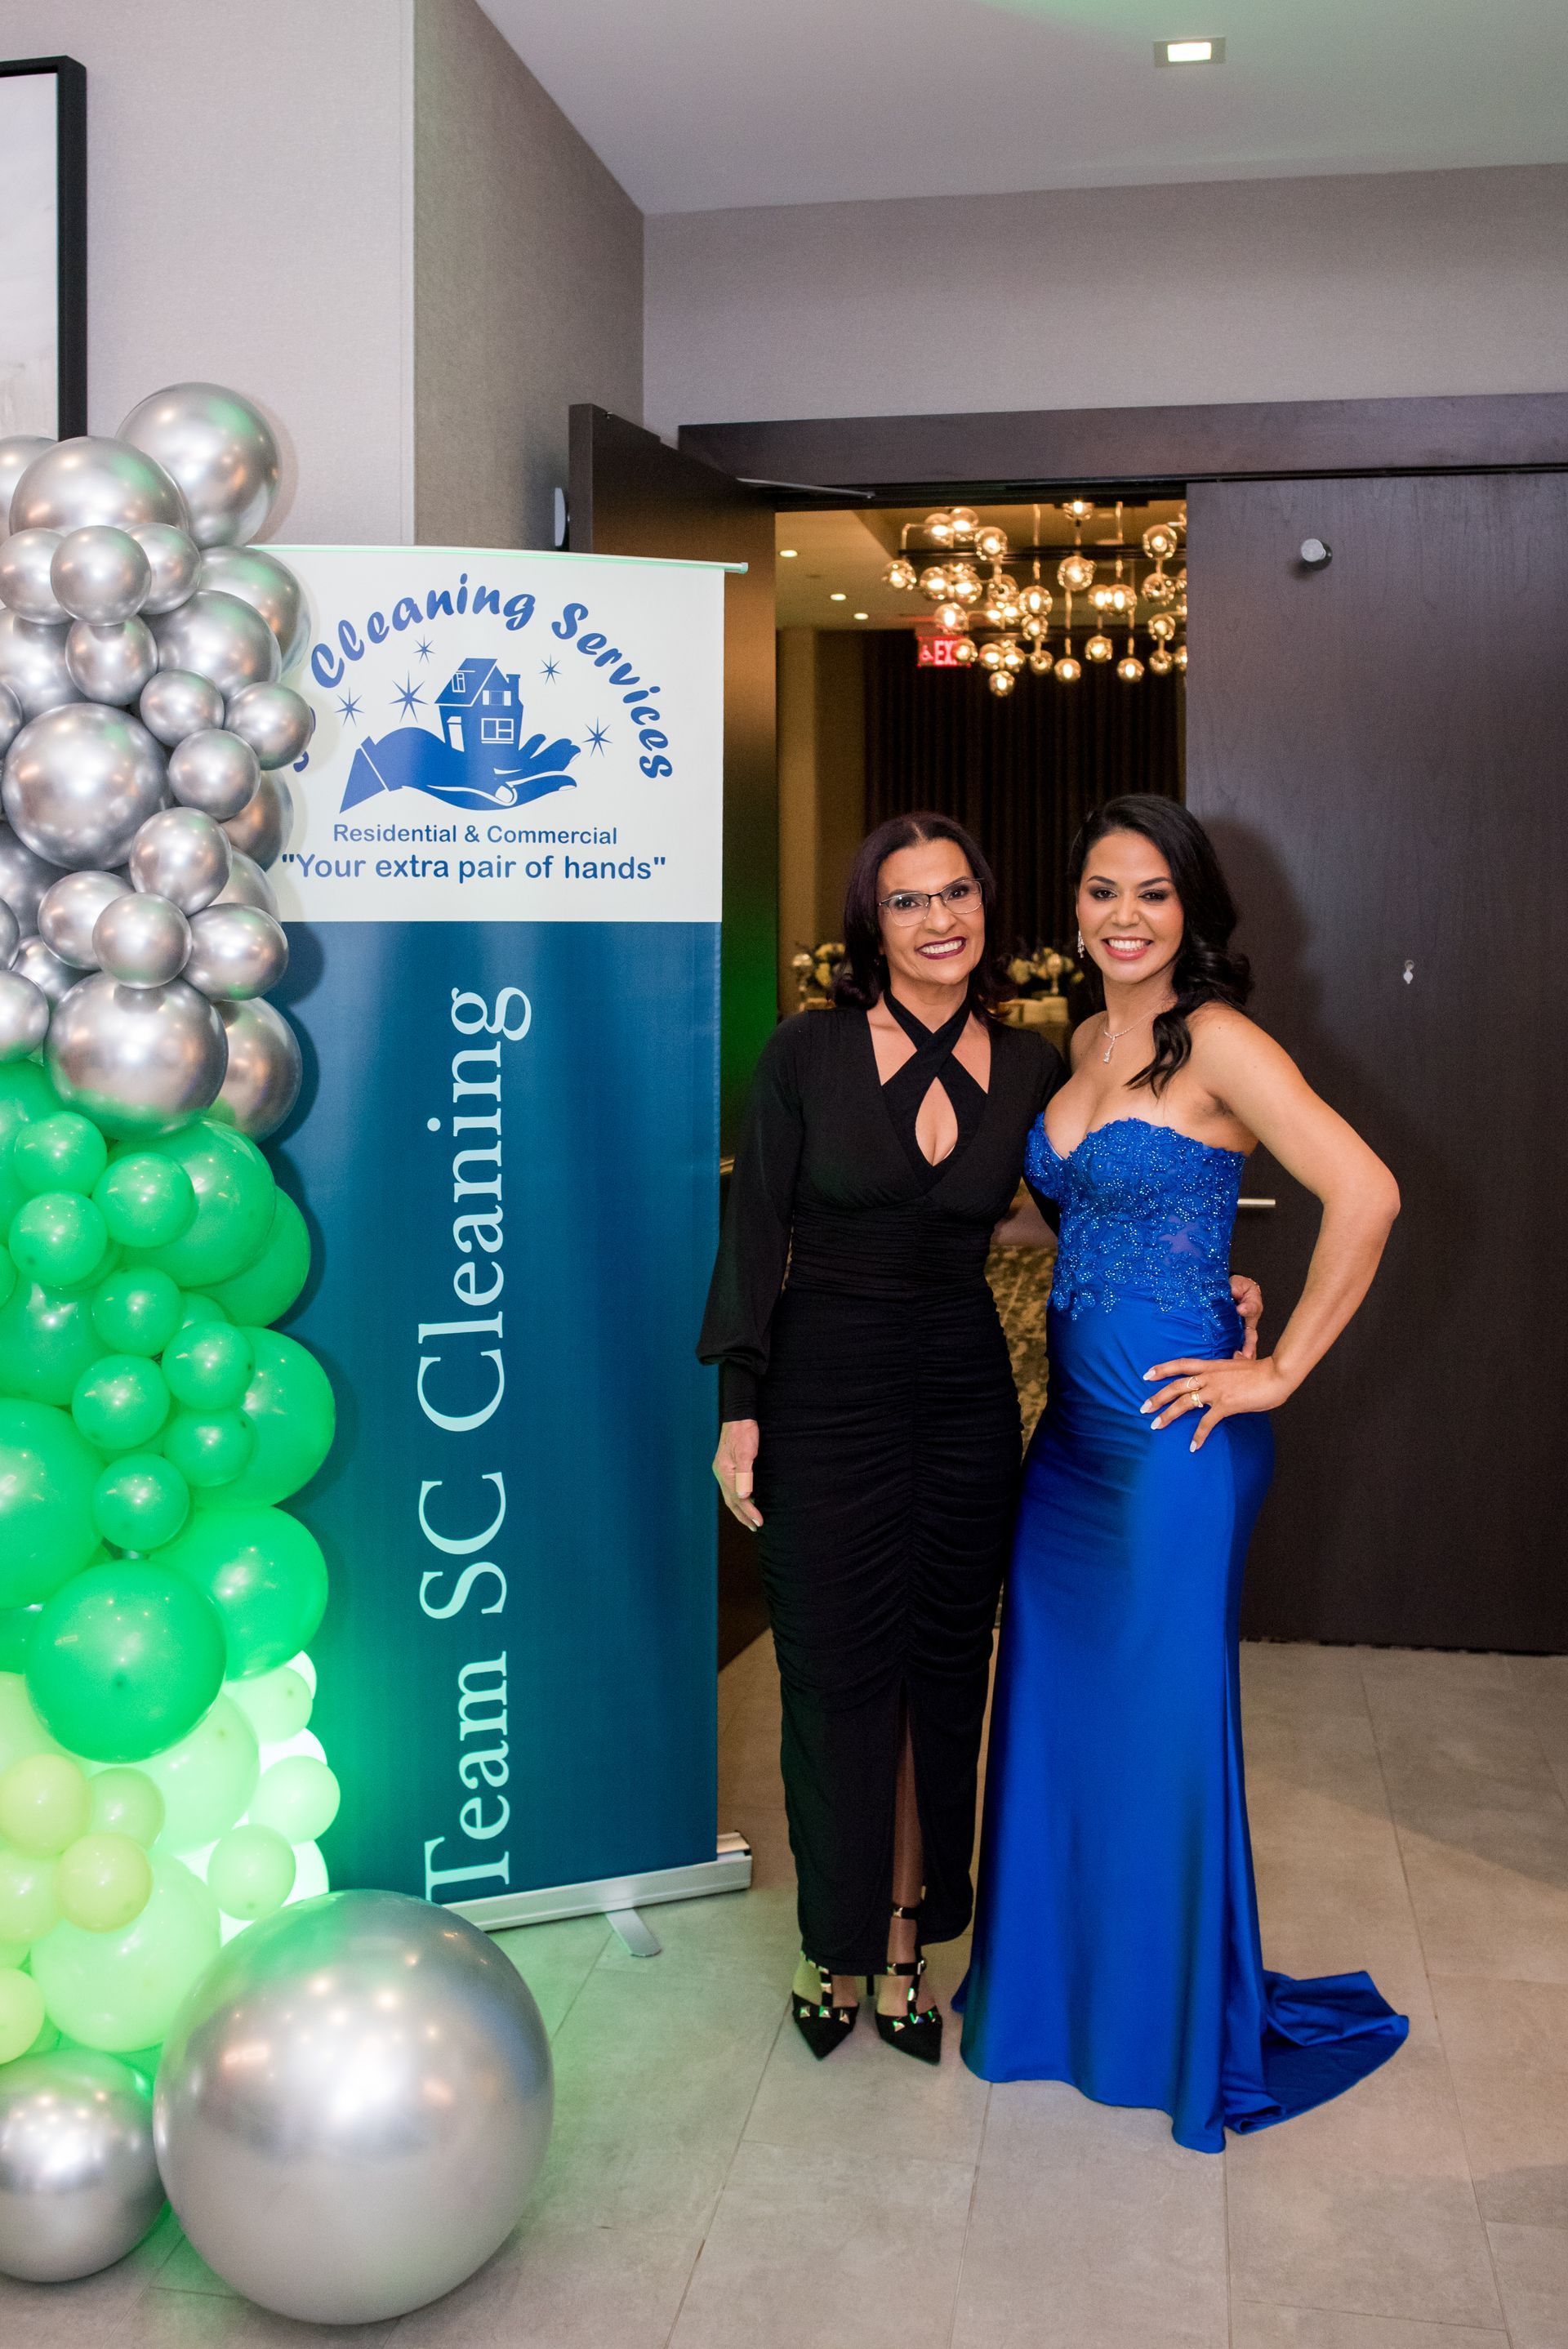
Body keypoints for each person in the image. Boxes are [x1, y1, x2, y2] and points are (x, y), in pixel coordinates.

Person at [699, 810, 1262, 2062]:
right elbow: (752, 1244)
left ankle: (907, 1935)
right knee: (832, 1677)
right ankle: (828, 1940)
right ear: (873, 923)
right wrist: (739, 1408)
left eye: (959, 893)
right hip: (824, 1391)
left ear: (991, 913)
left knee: (944, 1681)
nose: (939, 919)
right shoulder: (808, 1053)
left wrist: (1209, 1282)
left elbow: (1084, 1210)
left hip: (962, 1399)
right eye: (908, 902)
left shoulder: (1031, 1065)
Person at [957, 793, 1408, 2149]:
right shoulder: (1082, 1040)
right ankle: (1053, 2002)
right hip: (1073, 1453)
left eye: (1153, 892)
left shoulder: (1220, 1039)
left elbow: (1367, 1191)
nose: (1126, 916)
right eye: (1103, 891)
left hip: (1177, 1449)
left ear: (1191, 911)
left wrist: (1275, 1365)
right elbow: (1080, 1219)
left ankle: (1164, 2025)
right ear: (1076, 909)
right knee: (1049, 1716)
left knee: (1157, 1733)